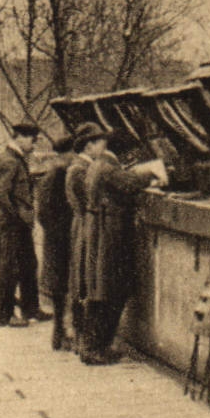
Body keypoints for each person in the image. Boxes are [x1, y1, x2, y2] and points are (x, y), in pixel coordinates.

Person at [79, 128, 161, 365]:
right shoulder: (107, 167)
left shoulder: (97, 164)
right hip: (111, 237)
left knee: (99, 293)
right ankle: (96, 348)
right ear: (126, 153)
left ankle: (92, 346)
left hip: (100, 234)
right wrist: (153, 171)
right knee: (111, 292)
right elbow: (130, 183)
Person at [0, 122, 51, 328]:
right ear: (20, 137)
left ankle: (30, 309)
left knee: (28, 264)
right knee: (10, 267)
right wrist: (15, 215)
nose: (33, 145)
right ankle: (5, 315)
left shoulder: (14, 158)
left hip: (20, 221)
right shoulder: (9, 161)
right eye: (32, 141)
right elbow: (1, 192)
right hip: (13, 222)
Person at [64, 122, 105, 353]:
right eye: (100, 144)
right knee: (86, 283)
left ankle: (81, 341)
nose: (103, 148)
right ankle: (85, 343)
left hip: (81, 227)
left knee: (82, 282)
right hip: (86, 229)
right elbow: (90, 202)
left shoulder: (76, 167)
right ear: (89, 146)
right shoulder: (81, 170)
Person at [35, 133, 77, 350]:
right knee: (64, 289)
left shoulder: (49, 176)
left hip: (54, 240)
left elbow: (42, 213)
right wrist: (65, 233)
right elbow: (47, 213)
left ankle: (58, 335)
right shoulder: (59, 177)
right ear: (68, 153)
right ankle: (63, 334)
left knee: (59, 291)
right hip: (61, 241)